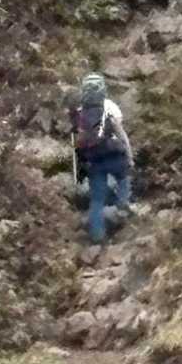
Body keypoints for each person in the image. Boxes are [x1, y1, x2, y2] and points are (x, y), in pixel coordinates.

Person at [71, 73, 133, 244]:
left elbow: (76, 142)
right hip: (113, 156)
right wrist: (129, 155)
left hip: (94, 160)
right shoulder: (109, 107)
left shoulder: (79, 112)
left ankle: (97, 235)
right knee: (123, 178)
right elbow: (120, 133)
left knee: (97, 199)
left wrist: (79, 170)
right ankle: (123, 205)